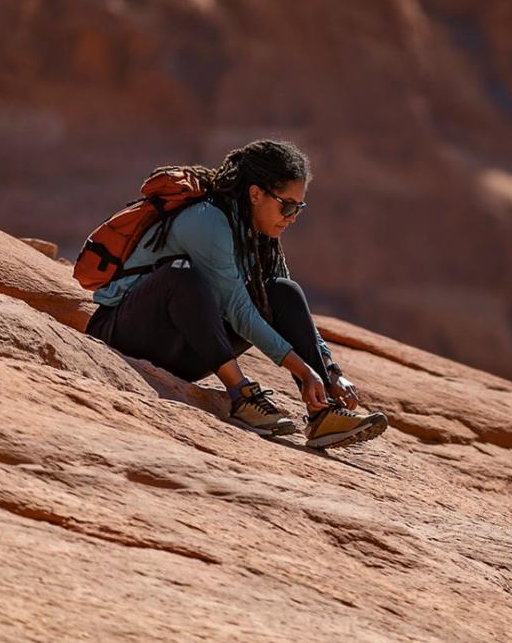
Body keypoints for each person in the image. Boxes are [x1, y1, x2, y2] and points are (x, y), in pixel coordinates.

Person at [84, 138, 388, 450]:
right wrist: (302, 369)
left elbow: (287, 310)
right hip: (123, 335)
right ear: (255, 194)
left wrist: (329, 371)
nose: (292, 216)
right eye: (286, 205)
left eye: (299, 207)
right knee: (181, 278)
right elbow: (238, 310)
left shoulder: (256, 234)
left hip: (183, 351)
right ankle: (242, 397)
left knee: (283, 292)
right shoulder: (207, 221)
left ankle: (322, 413)